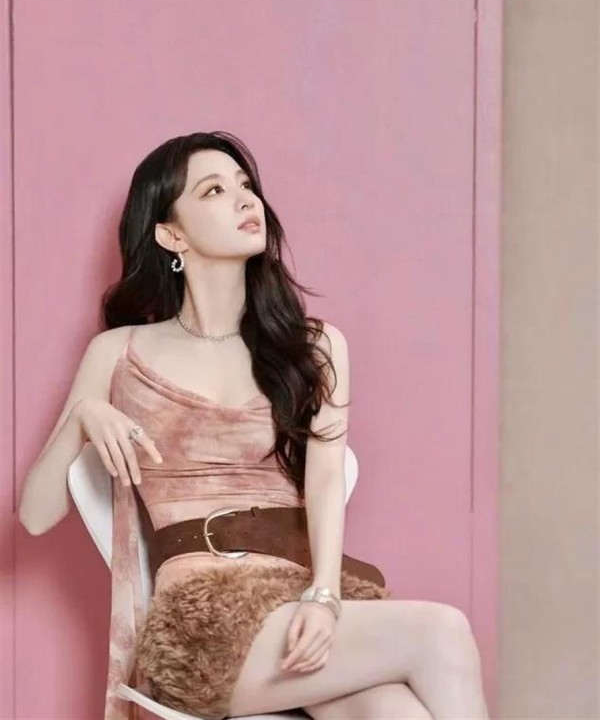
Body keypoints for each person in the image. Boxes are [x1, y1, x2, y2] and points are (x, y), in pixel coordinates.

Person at [18, 131, 490, 720]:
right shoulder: (119, 351)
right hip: (201, 622)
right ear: (171, 235)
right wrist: (83, 417)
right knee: (443, 631)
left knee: (398, 712)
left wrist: (324, 596)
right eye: (214, 191)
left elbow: (324, 482)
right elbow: (35, 515)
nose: (246, 200)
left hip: (300, 603)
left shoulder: (313, 348)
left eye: (246, 186)